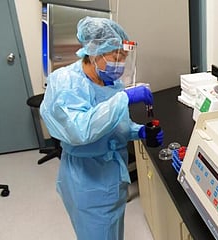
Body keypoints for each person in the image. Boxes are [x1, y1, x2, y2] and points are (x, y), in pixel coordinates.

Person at [39, 16, 163, 240]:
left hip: (112, 178)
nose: (121, 64)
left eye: (124, 58)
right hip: (88, 182)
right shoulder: (66, 82)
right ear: (95, 52)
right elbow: (79, 130)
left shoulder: (110, 82)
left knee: (113, 232)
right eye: (117, 56)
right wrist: (124, 98)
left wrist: (139, 131)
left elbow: (115, 124)